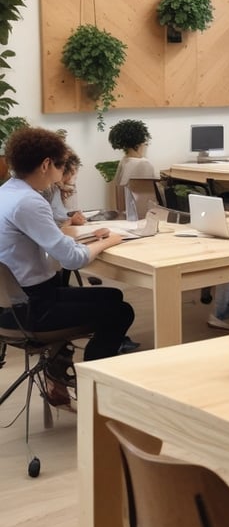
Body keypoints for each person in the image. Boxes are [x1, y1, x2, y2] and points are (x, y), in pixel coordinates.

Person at [0, 127, 135, 406]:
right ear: (47, 164)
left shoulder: (7, 193)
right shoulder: (29, 201)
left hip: (12, 303)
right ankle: (93, 392)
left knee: (113, 296)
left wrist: (88, 240)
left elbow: (52, 242)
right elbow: (71, 259)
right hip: (30, 309)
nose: (63, 172)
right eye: (61, 165)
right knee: (120, 311)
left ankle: (60, 375)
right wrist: (109, 241)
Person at [108, 119, 156, 221]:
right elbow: (148, 200)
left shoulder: (125, 161)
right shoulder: (143, 164)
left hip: (125, 216)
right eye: (146, 143)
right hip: (140, 219)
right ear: (138, 145)